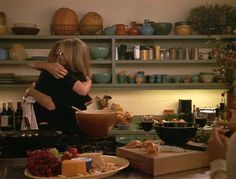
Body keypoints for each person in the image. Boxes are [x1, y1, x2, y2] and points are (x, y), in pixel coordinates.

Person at [24, 38, 93, 133]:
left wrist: (30, 91)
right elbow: (88, 101)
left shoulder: (58, 72)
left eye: (61, 52)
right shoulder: (78, 75)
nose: (58, 54)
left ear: (72, 55)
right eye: (58, 51)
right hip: (74, 128)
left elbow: (50, 105)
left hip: (55, 130)